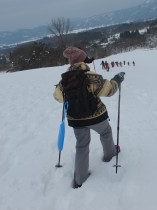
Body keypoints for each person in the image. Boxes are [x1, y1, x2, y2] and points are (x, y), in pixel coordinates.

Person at [53, 46, 125, 189]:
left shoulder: (64, 80)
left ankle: (80, 179)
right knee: (105, 132)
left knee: (81, 145)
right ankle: (110, 154)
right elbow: (109, 90)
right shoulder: (92, 77)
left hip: (75, 119)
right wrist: (117, 80)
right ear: (83, 61)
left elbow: (58, 97)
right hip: (96, 116)